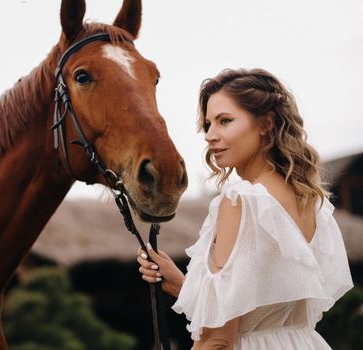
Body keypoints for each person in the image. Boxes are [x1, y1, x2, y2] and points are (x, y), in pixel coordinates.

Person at [137, 68, 353, 349]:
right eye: (208, 124)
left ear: (266, 123)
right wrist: (183, 285)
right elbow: (257, 308)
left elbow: (219, 339)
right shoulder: (310, 202)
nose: (210, 135)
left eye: (225, 121)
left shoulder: (242, 200)